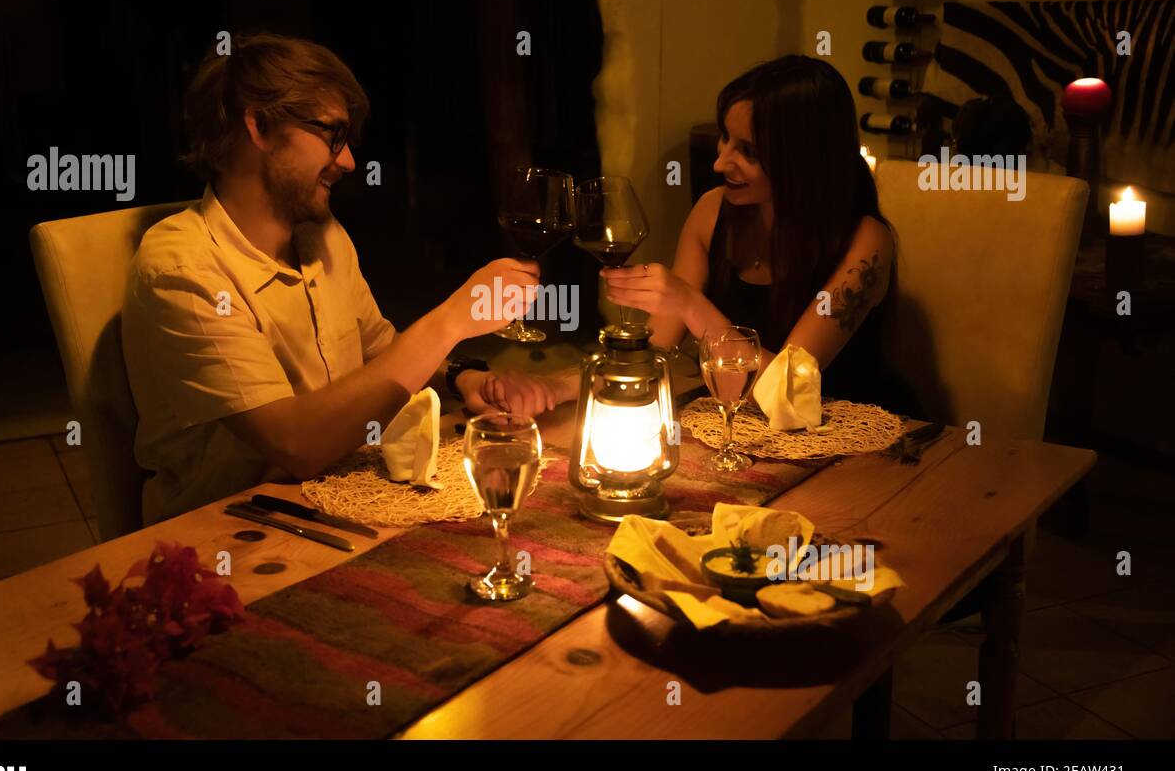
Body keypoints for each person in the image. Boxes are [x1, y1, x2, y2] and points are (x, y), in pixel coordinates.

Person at [122, 33, 557, 525]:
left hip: (336, 502)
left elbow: (378, 351)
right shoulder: (183, 269)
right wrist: (452, 320)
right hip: (228, 533)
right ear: (259, 126)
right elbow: (298, 445)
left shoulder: (321, 236)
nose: (348, 160)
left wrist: (462, 379)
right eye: (332, 134)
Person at [599, 55, 921, 416]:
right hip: (748, 426)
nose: (720, 163)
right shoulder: (712, 211)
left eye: (748, 151)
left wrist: (689, 303)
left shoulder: (866, 241)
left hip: (852, 428)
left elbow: (790, 393)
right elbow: (655, 349)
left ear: (802, 160)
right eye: (725, 137)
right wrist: (574, 383)